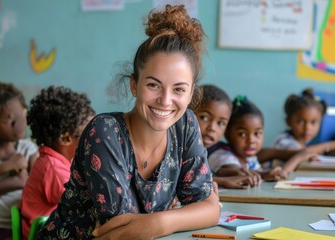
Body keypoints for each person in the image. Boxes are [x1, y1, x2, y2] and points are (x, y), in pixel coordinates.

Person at [38, 4, 219, 239]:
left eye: (179, 89)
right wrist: (187, 214)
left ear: (191, 92)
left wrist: (160, 223)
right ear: (135, 84)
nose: (165, 100)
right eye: (153, 85)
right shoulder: (105, 132)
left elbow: (209, 210)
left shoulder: (185, 125)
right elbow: (123, 229)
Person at [20, 86, 95, 239]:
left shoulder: (59, 160)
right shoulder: (53, 168)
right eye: (89, 134)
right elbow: (79, 203)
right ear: (66, 139)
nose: (94, 140)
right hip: (43, 233)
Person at [0, 81, 38, 240]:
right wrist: (8, 170)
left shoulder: (27, 148)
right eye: (11, 121)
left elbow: (38, 179)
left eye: (23, 116)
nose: (21, 125)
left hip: (24, 224)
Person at [209, 96, 311, 181]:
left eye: (257, 133)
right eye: (242, 134)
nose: (251, 140)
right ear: (227, 134)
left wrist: (297, 157)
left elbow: (276, 157)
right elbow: (236, 173)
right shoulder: (221, 154)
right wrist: (265, 174)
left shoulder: (250, 157)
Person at [195, 84, 258, 188]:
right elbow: (183, 180)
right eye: (204, 118)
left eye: (220, 123)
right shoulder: (179, 147)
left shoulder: (202, 150)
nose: (212, 128)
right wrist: (222, 181)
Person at [271, 88, 335, 167]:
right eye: (301, 122)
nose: (307, 128)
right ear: (289, 121)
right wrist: (331, 145)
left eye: (313, 122)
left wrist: (329, 152)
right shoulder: (283, 140)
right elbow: (298, 155)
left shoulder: (302, 143)